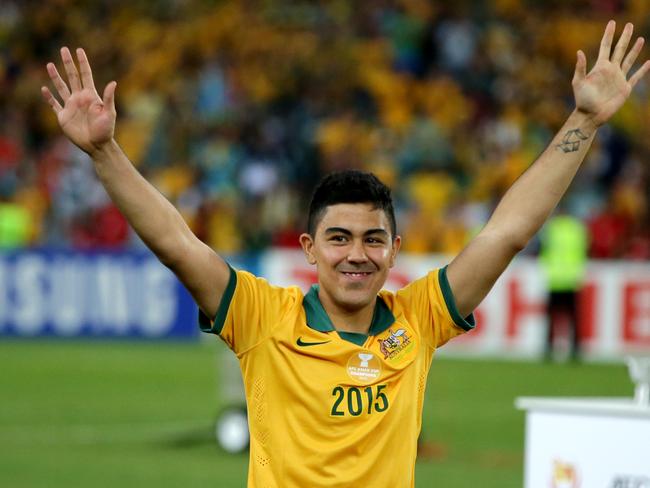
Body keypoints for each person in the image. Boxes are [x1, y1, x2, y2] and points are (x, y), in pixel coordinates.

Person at [42, 21, 649, 488]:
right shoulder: (261, 317)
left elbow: (506, 233)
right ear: (309, 249)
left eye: (372, 239)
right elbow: (176, 243)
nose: (356, 255)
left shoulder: (419, 318)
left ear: (394, 251)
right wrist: (104, 154)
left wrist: (585, 121)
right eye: (339, 238)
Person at [539, 210, 589, 361]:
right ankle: (576, 349)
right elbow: (584, 250)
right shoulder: (577, 228)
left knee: (551, 317)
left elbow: (544, 250)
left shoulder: (552, 228)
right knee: (573, 317)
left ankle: (548, 348)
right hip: (572, 278)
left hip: (555, 279)